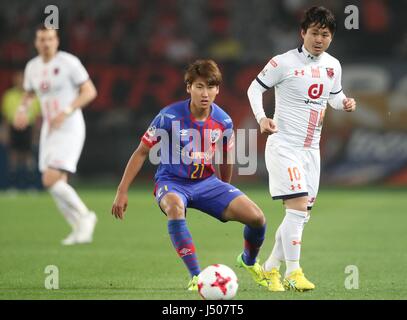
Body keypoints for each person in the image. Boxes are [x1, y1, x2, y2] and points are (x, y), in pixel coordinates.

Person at [112, 59, 268, 291]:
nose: (205, 93)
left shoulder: (223, 121)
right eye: (199, 86)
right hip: (171, 183)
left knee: (257, 218)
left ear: (218, 89)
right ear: (189, 88)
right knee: (175, 208)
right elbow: (141, 152)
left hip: (207, 183)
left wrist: (224, 189)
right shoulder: (168, 117)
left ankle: (248, 261)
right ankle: (197, 277)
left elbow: (226, 157)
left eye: (211, 87)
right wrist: (122, 191)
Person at [247, 6, 356, 292]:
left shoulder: (333, 65)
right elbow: (254, 89)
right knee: (296, 207)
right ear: (302, 33)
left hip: (311, 151)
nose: (319, 39)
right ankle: (293, 272)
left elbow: (333, 96)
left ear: (331, 37)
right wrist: (262, 118)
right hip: (284, 145)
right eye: (314, 33)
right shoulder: (282, 63)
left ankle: (270, 267)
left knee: (300, 214)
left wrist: (344, 102)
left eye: (325, 34)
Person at [13, 26, 98, 245]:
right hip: (49, 128)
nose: (46, 43)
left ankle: (86, 216)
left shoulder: (69, 63)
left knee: (49, 179)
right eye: (42, 39)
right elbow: (29, 94)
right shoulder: (32, 67)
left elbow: (89, 91)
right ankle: (78, 228)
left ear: (57, 41)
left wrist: (67, 111)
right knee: (56, 182)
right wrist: (22, 111)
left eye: (50, 39)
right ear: (36, 42)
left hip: (69, 126)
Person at [1, 71, 41, 189]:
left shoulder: (33, 96)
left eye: (22, 79)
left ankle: (31, 186)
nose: (20, 82)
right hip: (13, 129)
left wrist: (36, 134)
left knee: (28, 158)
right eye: (18, 79)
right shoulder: (9, 95)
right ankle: (13, 186)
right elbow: (5, 118)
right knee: (13, 158)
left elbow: (37, 117)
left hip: (29, 129)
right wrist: (5, 133)